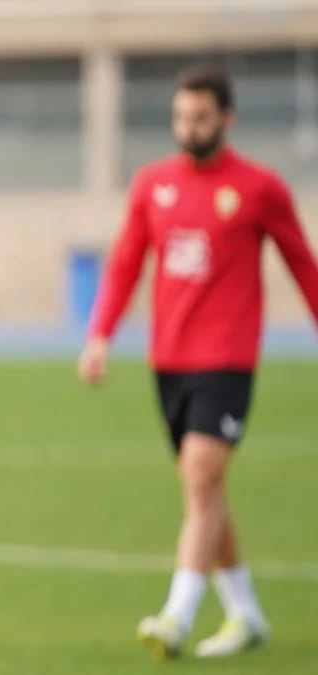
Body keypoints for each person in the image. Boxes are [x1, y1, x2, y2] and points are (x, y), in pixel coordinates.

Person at [79, 65, 318, 660]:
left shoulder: (260, 188)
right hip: (169, 362)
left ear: (227, 119)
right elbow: (126, 263)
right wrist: (100, 334)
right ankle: (246, 613)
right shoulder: (152, 184)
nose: (190, 127)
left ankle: (176, 616)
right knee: (202, 492)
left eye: (202, 117)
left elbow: (302, 264)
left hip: (229, 359)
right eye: (182, 117)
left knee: (203, 476)